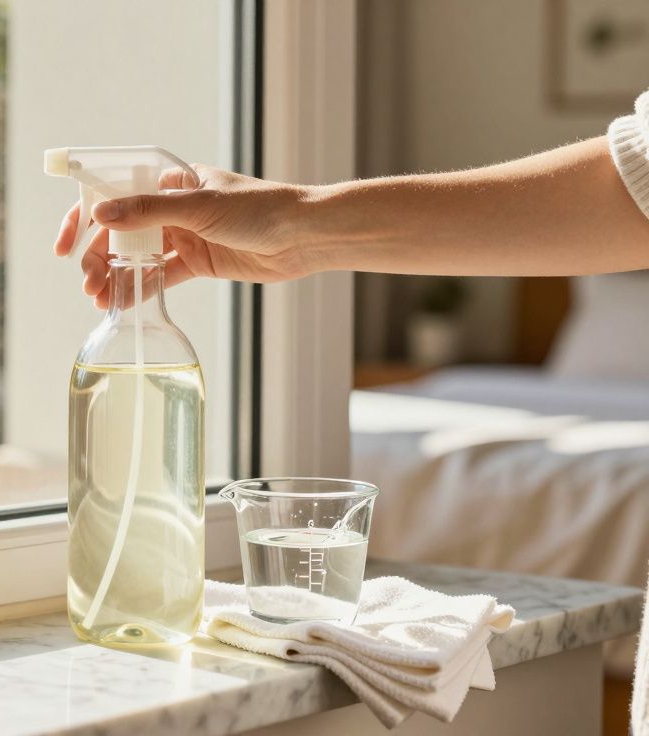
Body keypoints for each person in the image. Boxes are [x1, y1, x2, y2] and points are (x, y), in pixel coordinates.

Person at [55, 92, 649, 731]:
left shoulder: (166, 352)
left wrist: (296, 225)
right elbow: (629, 188)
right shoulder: (112, 354)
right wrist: (296, 229)